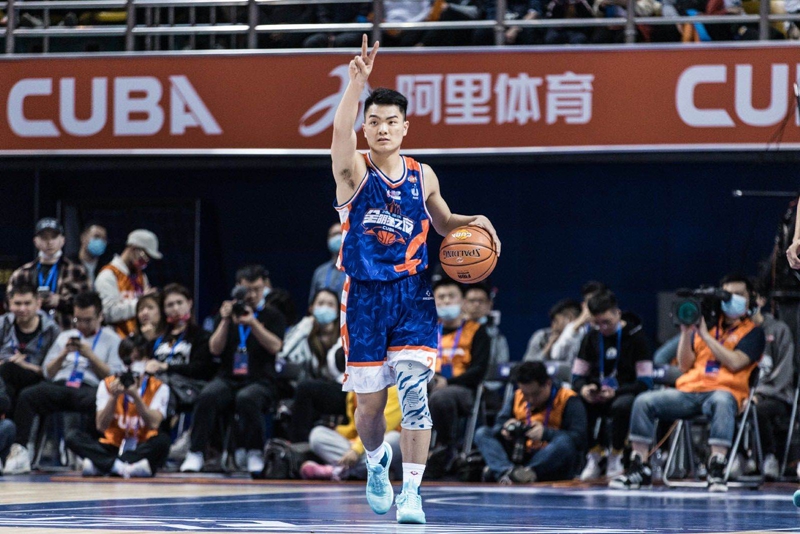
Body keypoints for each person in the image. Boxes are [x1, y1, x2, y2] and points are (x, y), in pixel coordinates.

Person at [330, 34, 500, 524]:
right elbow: (339, 134)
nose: (382, 128)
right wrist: (356, 84)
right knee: (369, 407)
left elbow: (444, 223)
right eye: (374, 121)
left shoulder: (423, 175)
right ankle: (376, 461)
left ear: (405, 127)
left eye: (391, 121)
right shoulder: (352, 172)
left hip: (412, 296)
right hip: (364, 298)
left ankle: (412, 492)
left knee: (414, 393)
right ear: (365, 127)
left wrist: (475, 222)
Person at [611, 274, 765, 492]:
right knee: (644, 401)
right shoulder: (707, 326)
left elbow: (735, 362)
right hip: (690, 391)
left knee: (722, 401)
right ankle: (639, 467)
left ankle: (717, 467)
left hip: (724, 392)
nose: (733, 299)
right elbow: (684, 366)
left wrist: (706, 337)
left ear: (750, 298)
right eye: (728, 294)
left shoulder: (753, 333)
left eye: (739, 294)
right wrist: (686, 332)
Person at [179, 264, 286, 475]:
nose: (252, 294)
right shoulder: (226, 314)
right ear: (238, 288)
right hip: (228, 378)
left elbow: (275, 346)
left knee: (247, 398)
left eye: (257, 289)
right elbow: (214, 349)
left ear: (264, 287)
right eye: (247, 289)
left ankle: (254, 451)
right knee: (208, 395)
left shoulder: (273, 315)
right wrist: (226, 321)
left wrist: (253, 323)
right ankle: (196, 452)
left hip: (260, 380)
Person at [3, 291, 124, 475]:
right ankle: (21, 450)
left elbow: (113, 376)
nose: (82, 325)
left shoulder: (112, 339)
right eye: (77, 320)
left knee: (100, 401)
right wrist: (63, 354)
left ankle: (92, 454)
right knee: (28, 395)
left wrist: (90, 355)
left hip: (90, 386)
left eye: (88, 320)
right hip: (61, 383)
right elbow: (47, 372)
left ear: (100, 316)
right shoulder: (65, 336)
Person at [573, 289, 653, 481]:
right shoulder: (590, 337)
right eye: (597, 323)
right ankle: (594, 455)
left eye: (606, 322)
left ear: (618, 313)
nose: (602, 328)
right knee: (575, 402)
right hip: (597, 393)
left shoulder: (637, 336)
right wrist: (584, 388)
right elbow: (577, 376)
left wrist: (616, 392)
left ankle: (616, 455)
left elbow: (645, 382)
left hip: (626, 393)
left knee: (621, 406)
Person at [66, 336, 170, 478]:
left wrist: (136, 396)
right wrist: (113, 397)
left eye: (138, 359)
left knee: (163, 441)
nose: (132, 365)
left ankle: (102, 465)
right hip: (112, 445)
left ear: (147, 360)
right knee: (72, 436)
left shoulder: (159, 387)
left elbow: (154, 423)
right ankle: (121, 467)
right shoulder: (107, 384)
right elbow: (101, 426)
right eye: (128, 360)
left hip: (141, 445)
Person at [474, 361, 587, 483]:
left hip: (549, 458)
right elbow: (499, 425)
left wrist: (546, 433)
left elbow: (579, 438)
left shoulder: (568, 398)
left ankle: (520, 473)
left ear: (548, 383)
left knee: (564, 442)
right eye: (526, 395)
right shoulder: (517, 396)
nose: (531, 400)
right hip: (520, 454)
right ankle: (508, 471)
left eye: (536, 394)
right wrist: (505, 429)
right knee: (482, 433)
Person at [427, 277, 491, 478]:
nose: (446, 301)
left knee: (441, 397)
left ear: (462, 302)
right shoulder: (427, 330)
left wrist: (448, 382)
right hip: (429, 383)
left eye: (451, 296)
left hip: (463, 390)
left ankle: (446, 448)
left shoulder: (477, 331)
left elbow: (479, 370)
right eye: (441, 297)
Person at [281, 289, 347, 443]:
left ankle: (299, 442)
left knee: (306, 388)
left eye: (330, 305)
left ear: (338, 310)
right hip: (318, 391)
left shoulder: (345, 334)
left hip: (345, 390)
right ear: (311, 308)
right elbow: (285, 354)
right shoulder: (307, 335)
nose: (325, 308)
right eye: (321, 303)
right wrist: (303, 327)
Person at [300, 386, 402, 482]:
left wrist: (356, 450)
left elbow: (379, 426)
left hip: (390, 445)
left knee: (394, 439)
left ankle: (338, 471)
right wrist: (336, 430)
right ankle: (365, 470)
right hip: (365, 445)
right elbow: (355, 428)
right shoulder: (353, 391)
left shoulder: (393, 388)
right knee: (318, 434)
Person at [145, 284, 215, 418]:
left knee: (162, 389)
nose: (175, 308)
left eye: (179, 303)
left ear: (189, 303)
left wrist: (166, 366)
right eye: (170, 305)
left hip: (188, 386)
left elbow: (200, 369)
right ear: (163, 309)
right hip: (158, 383)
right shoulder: (157, 339)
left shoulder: (201, 336)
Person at [7, 217, 90, 330]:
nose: (49, 242)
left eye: (53, 237)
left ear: (62, 240)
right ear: (35, 241)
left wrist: (60, 302)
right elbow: (8, 303)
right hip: (28, 333)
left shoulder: (77, 271)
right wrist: (31, 303)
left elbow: (87, 304)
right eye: (44, 238)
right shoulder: (22, 273)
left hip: (65, 330)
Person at [750, 284, 794, 480]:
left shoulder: (779, 330)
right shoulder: (740, 331)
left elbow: (784, 373)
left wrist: (759, 393)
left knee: (758, 410)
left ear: (761, 300)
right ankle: (739, 458)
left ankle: (770, 457)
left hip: (777, 395)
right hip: (747, 395)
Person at [0, 283, 60, 411]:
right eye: (17, 304)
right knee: (7, 378)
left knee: (9, 371)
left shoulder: (52, 330)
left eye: (27, 303)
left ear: (38, 304)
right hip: (4, 374)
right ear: (10, 304)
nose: (22, 309)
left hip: (36, 377)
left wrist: (24, 365)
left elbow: (51, 372)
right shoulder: (3, 323)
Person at [95, 229, 162, 337]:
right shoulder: (108, 275)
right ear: (133, 248)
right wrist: (140, 301)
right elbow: (108, 313)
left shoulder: (142, 277)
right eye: (145, 256)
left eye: (149, 259)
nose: (146, 262)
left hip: (138, 339)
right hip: (116, 339)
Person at [550, 281, 607, 364]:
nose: (594, 306)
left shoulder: (610, 325)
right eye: (589, 302)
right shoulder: (574, 327)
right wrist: (576, 326)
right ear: (584, 305)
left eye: (597, 302)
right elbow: (556, 355)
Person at [463, 282, 510, 370]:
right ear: (463, 303)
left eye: (481, 301)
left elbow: (501, 366)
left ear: (489, 304)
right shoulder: (452, 331)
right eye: (472, 301)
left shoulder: (497, 336)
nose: (476, 305)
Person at [524, 299, 582, 363]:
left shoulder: (584, 337)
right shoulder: (542, 336)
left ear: (570, 318)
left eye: (556, 321)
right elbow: (527, 365)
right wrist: (548, 347)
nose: (553, 326)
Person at [308, 223, 347, 305]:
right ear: (328, 240)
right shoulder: (320, 272)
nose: (337, 237)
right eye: (334, 234)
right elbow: (312, 303)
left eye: (340, 233)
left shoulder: (356, 271)